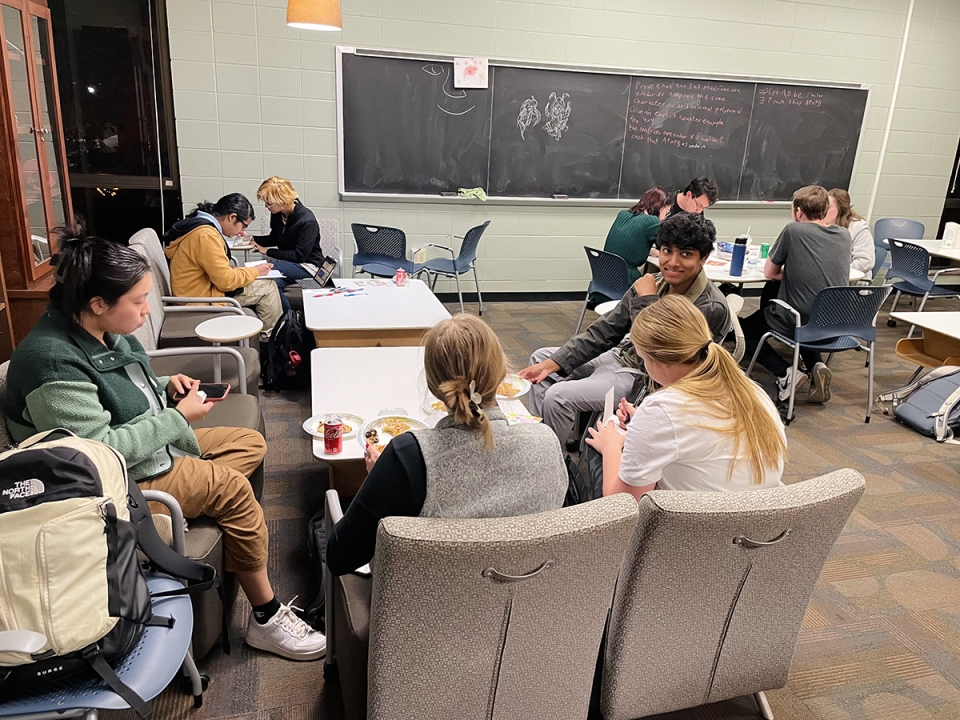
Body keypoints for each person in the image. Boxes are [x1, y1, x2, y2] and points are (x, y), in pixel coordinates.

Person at [2, 228, 326, 661]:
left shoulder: (94, 327)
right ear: (99, 303)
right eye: (138, 301)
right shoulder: (51, 362)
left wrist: (162, 384)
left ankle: (212, 520)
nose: (144, 311)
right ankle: (264, 618)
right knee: (235, 491)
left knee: (248, 443)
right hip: (122, 483)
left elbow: (116, 387)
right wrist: (177, 417)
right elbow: (99, 455)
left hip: (151, 441)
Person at [326, 314, 567, 575]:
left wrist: (381, 479)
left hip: (421, 609)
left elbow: (340, 557)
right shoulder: (546, 443)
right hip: (524, 605)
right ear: (501, 374)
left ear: (434, 387)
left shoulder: (407, 458)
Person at [519, 212, 730, 448]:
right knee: (542, 361)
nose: (673, 262)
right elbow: (605, 330)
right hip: (621, 356)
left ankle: (550, 464)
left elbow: (657, 355)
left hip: (644, 377)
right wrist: (552, 364)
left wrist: (647, 300)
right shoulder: (657, 282)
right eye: (667, 251)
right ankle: (544, 445)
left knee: (557, 397)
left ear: (703, 258)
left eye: (686, 254)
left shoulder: (709, 306)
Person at [586, 295, 786, 498]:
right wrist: (642, 427)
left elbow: (622, 505)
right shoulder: (752, 391)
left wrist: (610, 446)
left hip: (692, 526)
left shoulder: (662, 409)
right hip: (759, 522)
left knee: (596, 454)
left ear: (660, 361)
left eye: (643, 358)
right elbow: (700, 436)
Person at [740, 185, 852, 405]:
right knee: (801, 312)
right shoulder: (844, 235)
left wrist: (792, 274)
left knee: (742, 331)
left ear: (799, 211)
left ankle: (786, 373)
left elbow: (770, 272)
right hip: (835, 323)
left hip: (801, 319)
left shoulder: (794, 230)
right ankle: (816, 366)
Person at [163, 193, 282, 341]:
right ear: (232, 217)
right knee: (268, 287)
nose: (241, 231)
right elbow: (226, 281)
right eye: (243, 226)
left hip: (194, 292)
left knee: (261, 282)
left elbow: (218, 271)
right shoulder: (207, 235)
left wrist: (248, 271)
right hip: (200, 300)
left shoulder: (196, 225)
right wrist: (255, 271)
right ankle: (270, 343)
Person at [248, 176, 325, 303]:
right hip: (289, 263)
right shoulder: (278, 214)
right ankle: (287, 319)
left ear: (281, 200)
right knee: (272, 283)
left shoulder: (307, 220)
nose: (267, 206)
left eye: (269, 203)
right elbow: (275, 238)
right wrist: (251, 239)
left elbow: (299, 255)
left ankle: (287, 320)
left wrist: (267, 251)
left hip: (309, 266)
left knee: (268, 269)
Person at [598, 186, 670, 291]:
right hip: (625, 280)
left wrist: (654, 252)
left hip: (603, 280)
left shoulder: (623, 214)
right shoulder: (651, 221)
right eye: (666, 212)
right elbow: (668, 246)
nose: (665, 217)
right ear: (661, 208)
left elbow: (630, 245)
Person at [826, 188, 875, 278]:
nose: (823, 211)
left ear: (841, 209)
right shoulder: (822, 224)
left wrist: (837, 272)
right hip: (831, 278)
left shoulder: (858, 227)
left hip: (852, 282)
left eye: (828, 207)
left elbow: (865, 262)